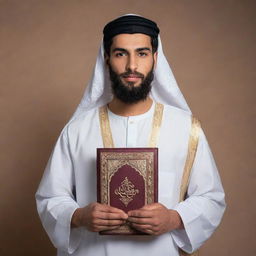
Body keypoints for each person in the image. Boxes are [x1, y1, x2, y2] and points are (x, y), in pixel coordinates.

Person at [36, 14, 226, 256]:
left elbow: (211, 198)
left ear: (156, 59)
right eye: (120, 53)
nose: (132, 66)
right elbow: (49, 197)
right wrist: (79, 216)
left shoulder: (186, 129)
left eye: (142, 53)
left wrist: (174, 217)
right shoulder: (77, 130)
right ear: (106, 59)